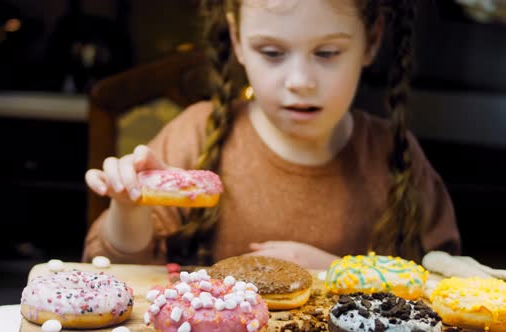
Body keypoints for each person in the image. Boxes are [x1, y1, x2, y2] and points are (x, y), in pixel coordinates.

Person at [83, 0, 460, 269]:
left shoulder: (395, 157)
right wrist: (129, 208)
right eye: (272, 52)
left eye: (327, 53)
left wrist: (335, 276)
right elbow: (112, 268)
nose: (299, 82)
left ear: (372, 41)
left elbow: (443, 289)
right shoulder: (194, 137)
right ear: (237, 40)